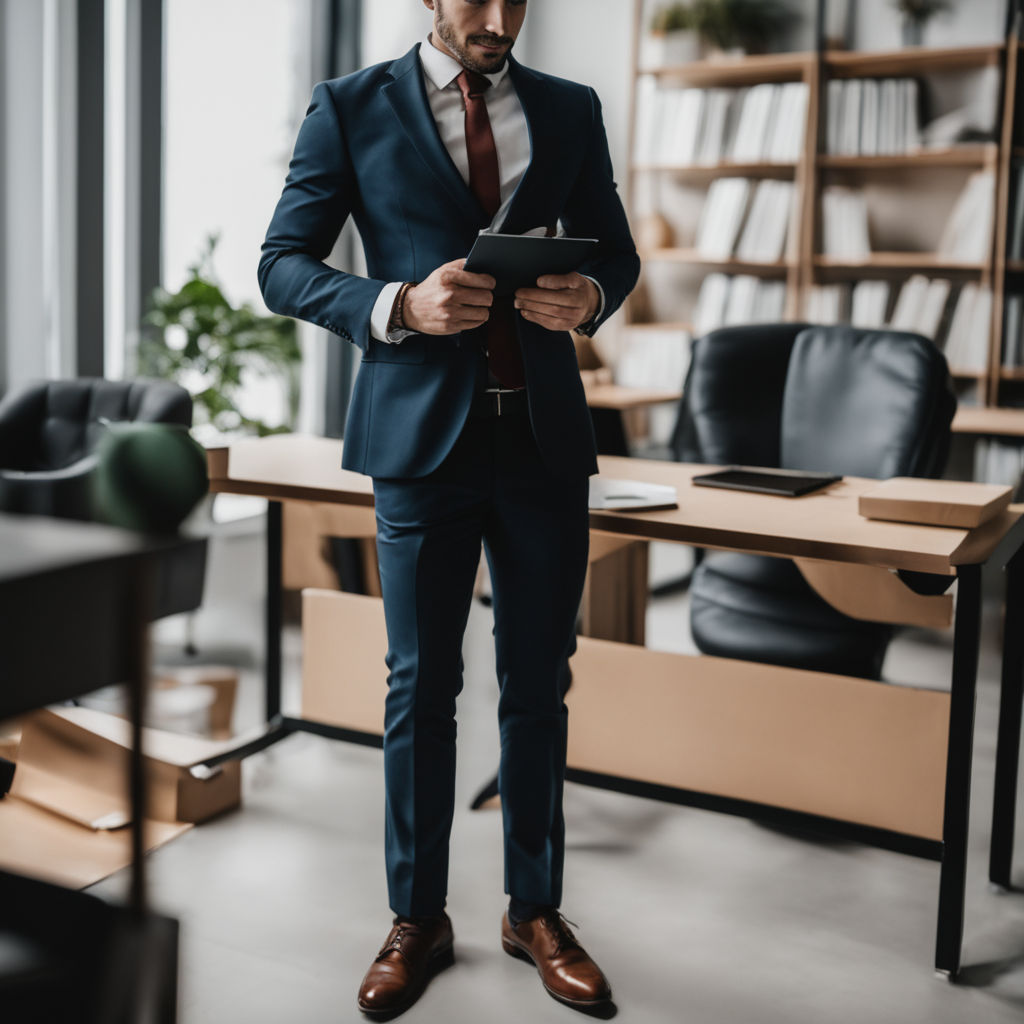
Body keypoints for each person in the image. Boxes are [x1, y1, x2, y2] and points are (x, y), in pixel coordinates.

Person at [259, 0, 639, 1015]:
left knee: (536, 682)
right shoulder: (347, 107)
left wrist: (587, 298)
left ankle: (534, 908)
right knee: (420, 685)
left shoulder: (568, 107)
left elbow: (618, 254)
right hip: (419, 445)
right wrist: (394, 306)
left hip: (544, 442)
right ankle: (416, 916)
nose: (499, 16)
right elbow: (281, 266)